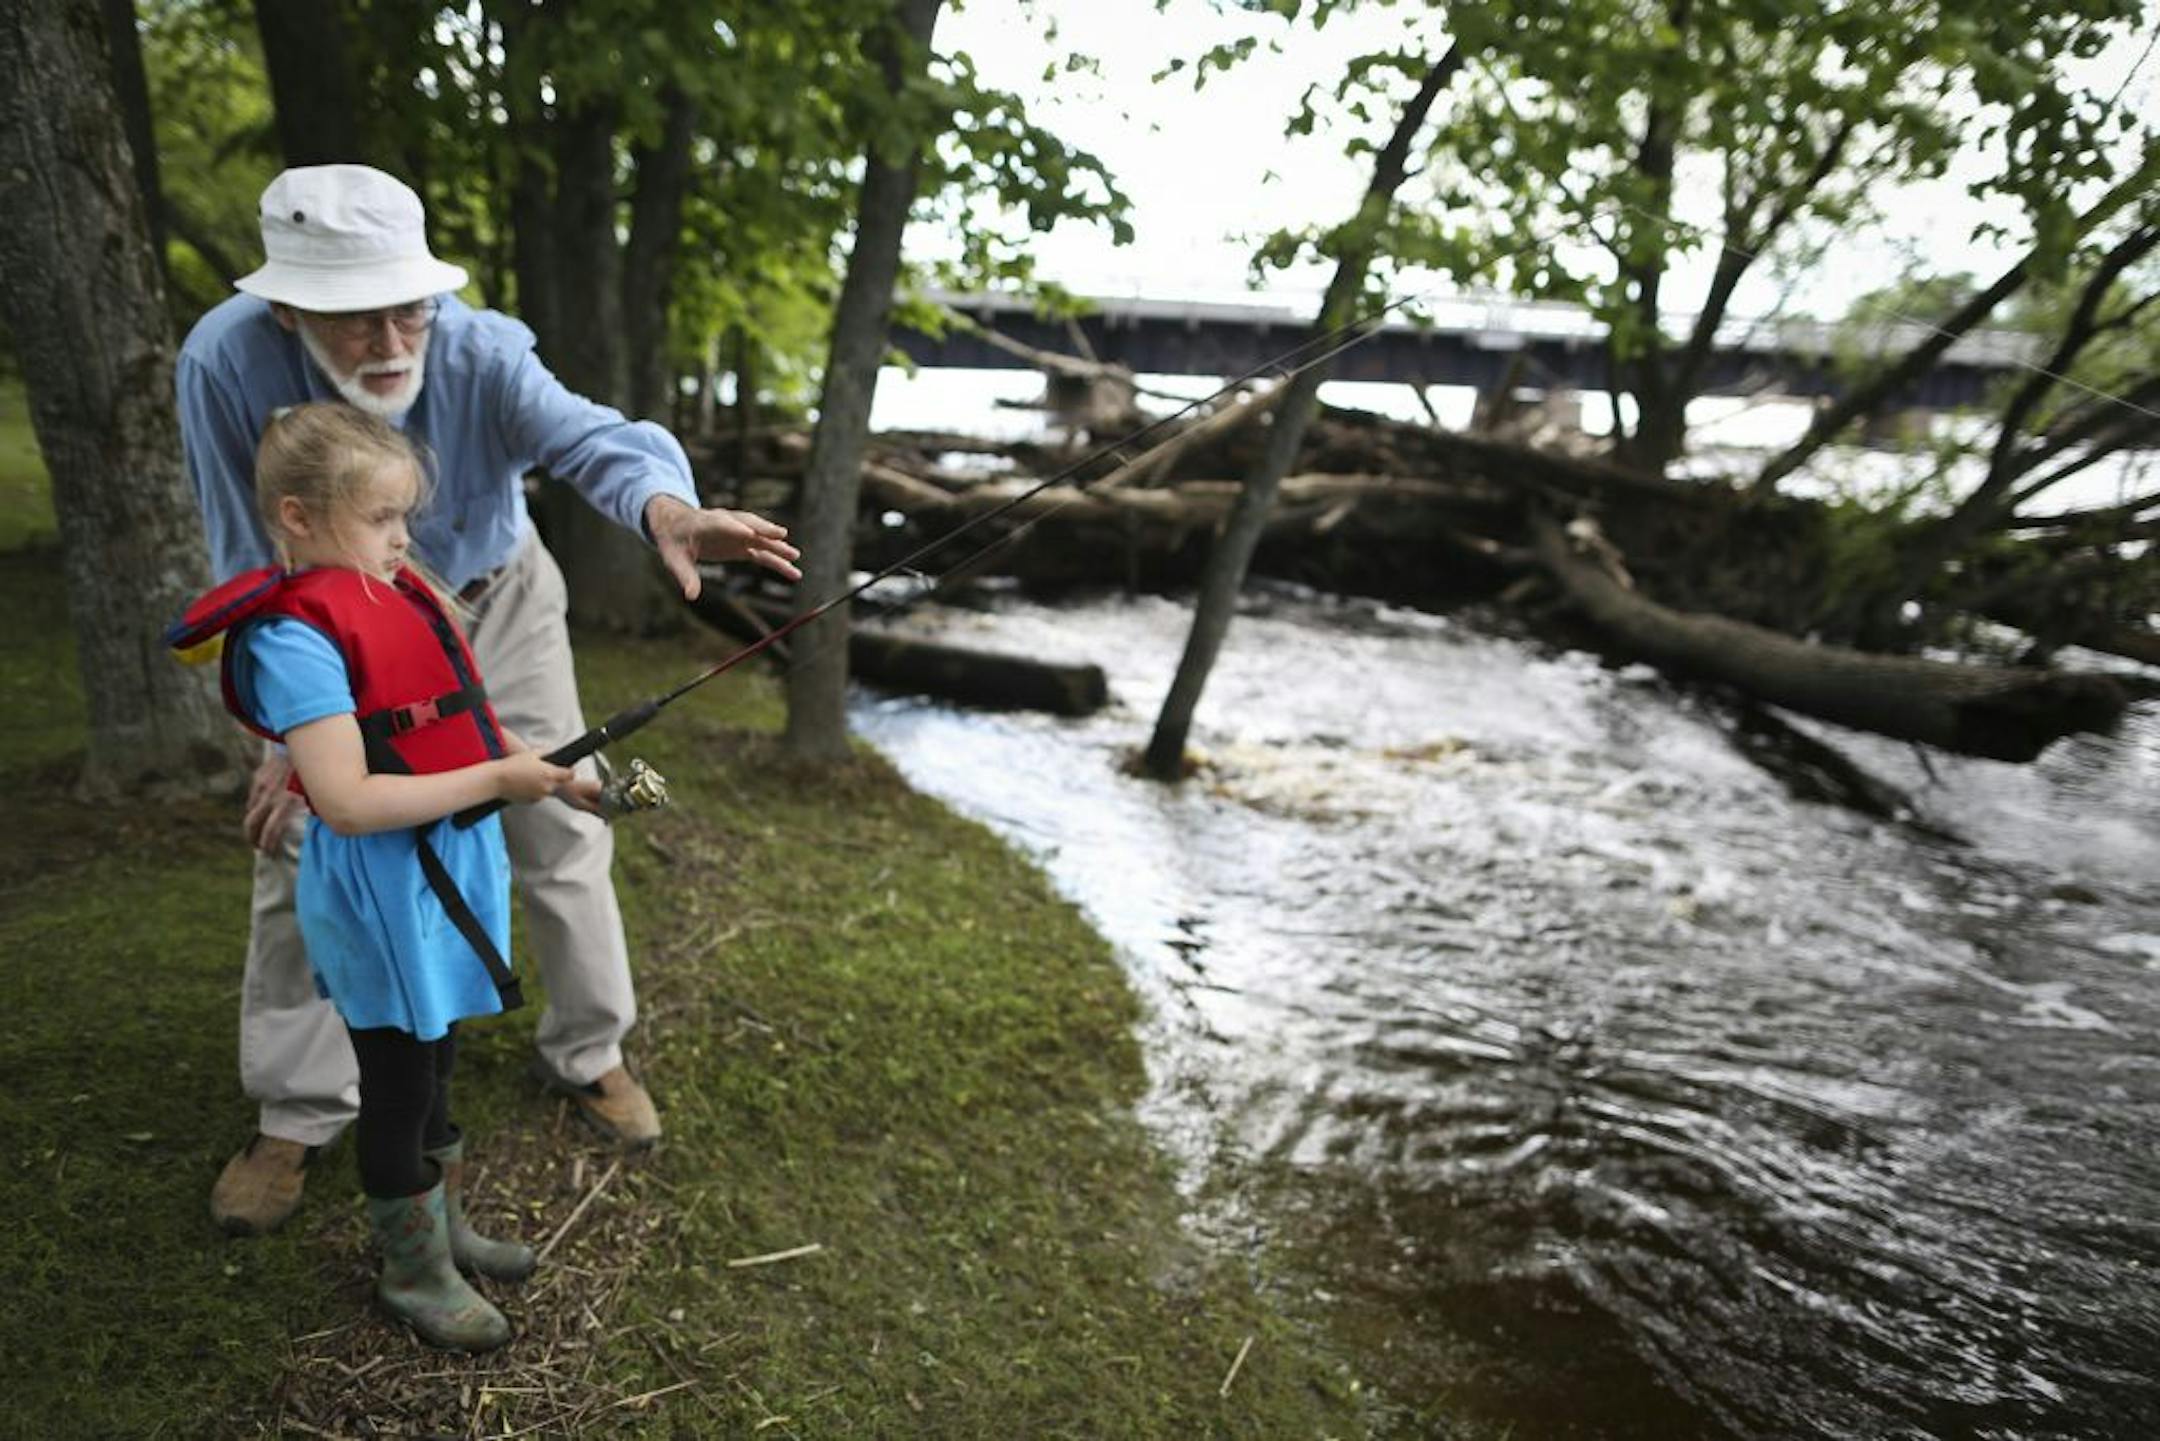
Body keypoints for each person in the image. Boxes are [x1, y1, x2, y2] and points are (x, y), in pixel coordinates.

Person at [178, 164, 802, 1236]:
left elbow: (585, 436)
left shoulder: (478, 348)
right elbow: (244, 547)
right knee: (307, 842)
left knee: (560, 823)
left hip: (492, 592)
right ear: (286, 308)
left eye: (406, 305)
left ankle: (588, 1049)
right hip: (325, 623)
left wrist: (663, 503)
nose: (390, 340)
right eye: (354, 316)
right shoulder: (222, 361)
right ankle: (297, 1107)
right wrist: (279, 733)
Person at [169, 403, 601, 1349]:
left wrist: (558, 774)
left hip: (443, 867)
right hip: (379, 891)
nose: (403, 538)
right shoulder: (294, 639)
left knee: (438, 1064)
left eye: (405, 517)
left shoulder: (396, 593)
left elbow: (457, 721)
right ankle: (411, 1270)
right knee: (398, 1085)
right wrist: (497, 780)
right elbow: (348, 799)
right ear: (297, 517)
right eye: (381, 519)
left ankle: (443, 1232)